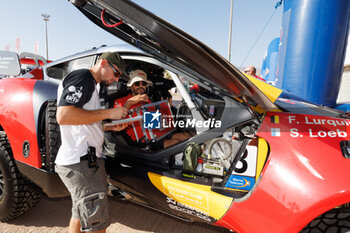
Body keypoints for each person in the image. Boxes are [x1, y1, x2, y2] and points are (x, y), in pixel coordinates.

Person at [55, 52, 129, 233]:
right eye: (116, 73)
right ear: (103, 63)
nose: (116, 79)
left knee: (79, 214)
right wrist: (109, 113)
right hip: (81, 162)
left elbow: (84, 123)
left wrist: (112, 127)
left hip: (83, 160)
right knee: (97, 224)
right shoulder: (83, 78)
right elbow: (63, 116)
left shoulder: (91, 85)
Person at [114, 69, 191, 148]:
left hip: (156, 135)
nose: (141, 86)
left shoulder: (147, 100)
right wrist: (129, 103)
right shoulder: (120, 102)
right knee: (176, 143)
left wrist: (166, 108)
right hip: (142, 140)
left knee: (187, 136)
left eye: (143, 83)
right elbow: (116, 124)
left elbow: (155, 123)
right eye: (137, 83)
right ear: (131, 86)